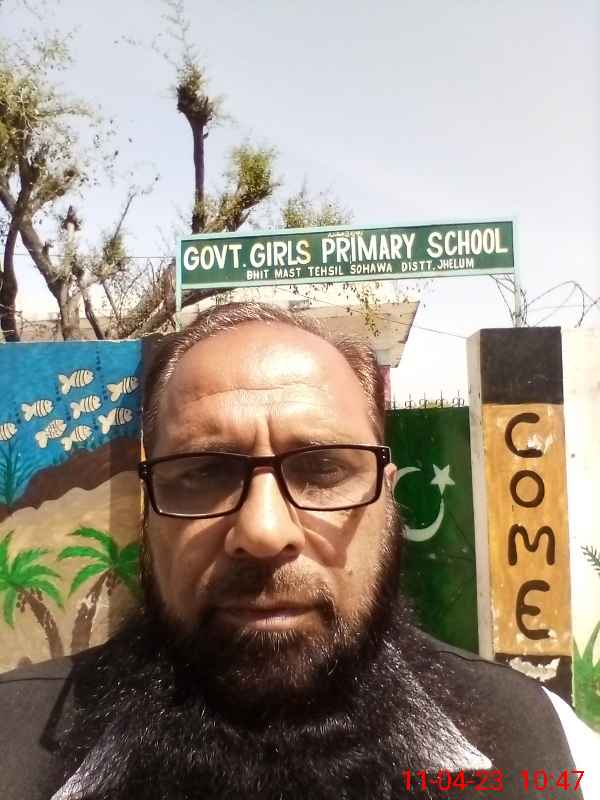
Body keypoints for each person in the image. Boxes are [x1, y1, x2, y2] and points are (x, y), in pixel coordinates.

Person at [0, 301, 597, 800]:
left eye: (323, 469)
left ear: (388, 503)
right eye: (204, 472)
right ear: (146, 514)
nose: (263, 532)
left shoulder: (550, 751)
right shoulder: (12, 744)